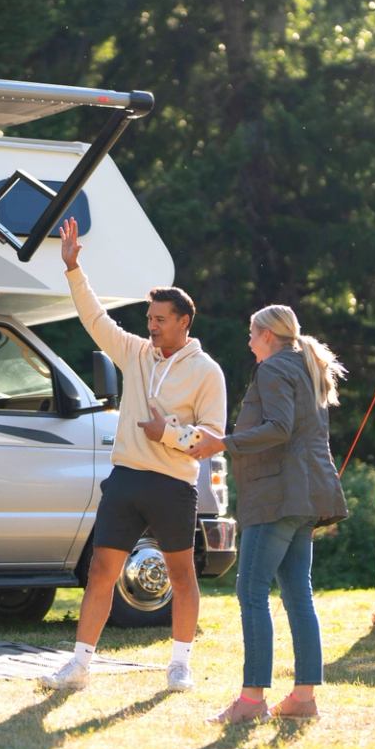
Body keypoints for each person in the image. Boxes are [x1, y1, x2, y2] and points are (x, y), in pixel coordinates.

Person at [40, 217, 227, 693]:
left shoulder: (207, 372)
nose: (152, 327)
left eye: (160, 320)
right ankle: (79, 666)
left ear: (184, 322)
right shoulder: (136, 353)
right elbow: (94, 319)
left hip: (173, 486)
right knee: (101, 570)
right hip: (125, 479)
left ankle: (180, 665)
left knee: (181, 575)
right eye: (149, 320)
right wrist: (73, 269)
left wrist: (170, 434)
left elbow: (213, 438)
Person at [190, 305, 349, 723]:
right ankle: (303, 698)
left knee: (251, 591)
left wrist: (222, 443)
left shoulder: (275, 368)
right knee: (298, 592)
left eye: (251, 334)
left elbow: (279, 428)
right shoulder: (306, 367)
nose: (248, 342)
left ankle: (251, 701)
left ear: (266, 336)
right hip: (306, 495)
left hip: (278, 496)